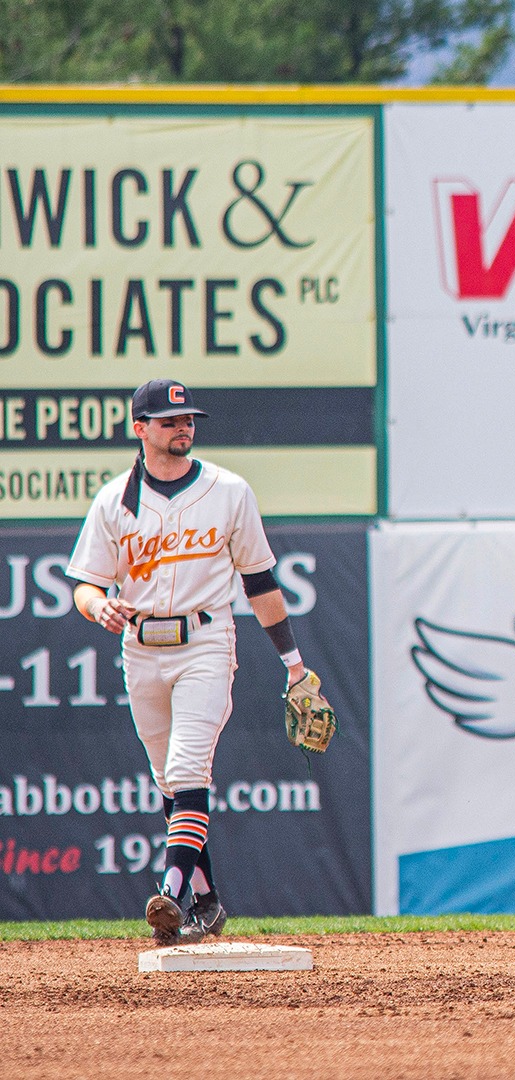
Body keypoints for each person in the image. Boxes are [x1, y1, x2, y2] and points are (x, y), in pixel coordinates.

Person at [66, 379, 320, 946]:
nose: (182, 428)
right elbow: (84, 583)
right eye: (167, 421)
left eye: (187, 420)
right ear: (140, 429)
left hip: (206, 642)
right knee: (168, 782)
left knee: (186, 772)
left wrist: (295, 666)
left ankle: (172, 894)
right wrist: (99, 606)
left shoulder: (229, 491)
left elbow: (260, 582)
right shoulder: (115, 500)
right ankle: (207, 901)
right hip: (141, 650)